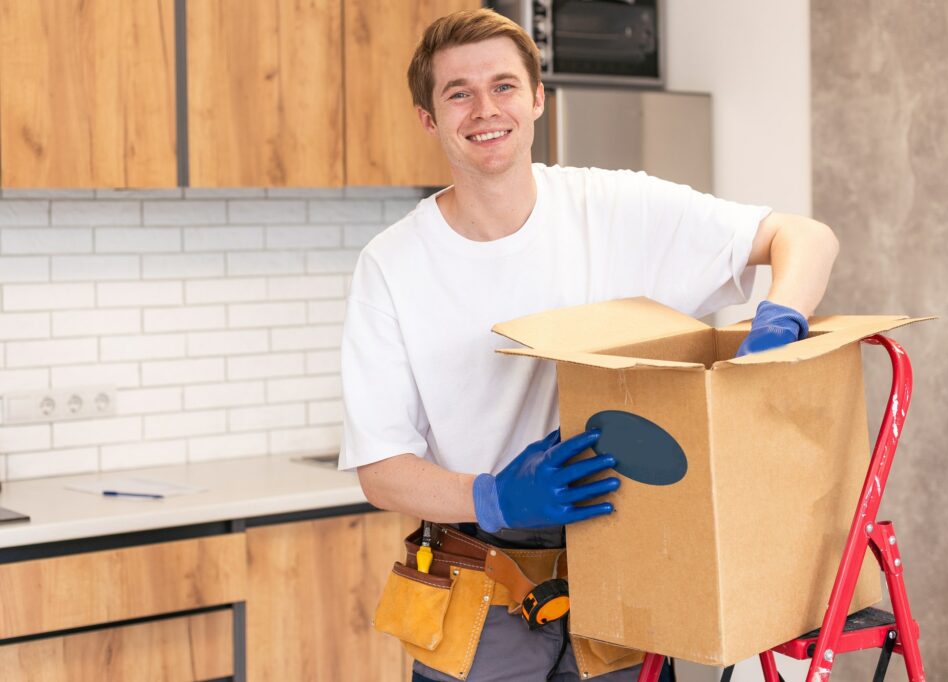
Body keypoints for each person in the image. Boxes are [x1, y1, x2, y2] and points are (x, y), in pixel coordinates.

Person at [340, 8, 838, 682]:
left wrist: (781, 317)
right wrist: (493, 497)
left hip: (624, 571)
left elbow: (803, 237)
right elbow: (381, 470)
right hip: (479, 590)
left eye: (505, 86)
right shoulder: (392, 264)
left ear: (538, 98)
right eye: (458, 92)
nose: (485, 109)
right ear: (429, 118)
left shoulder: (613, 208)